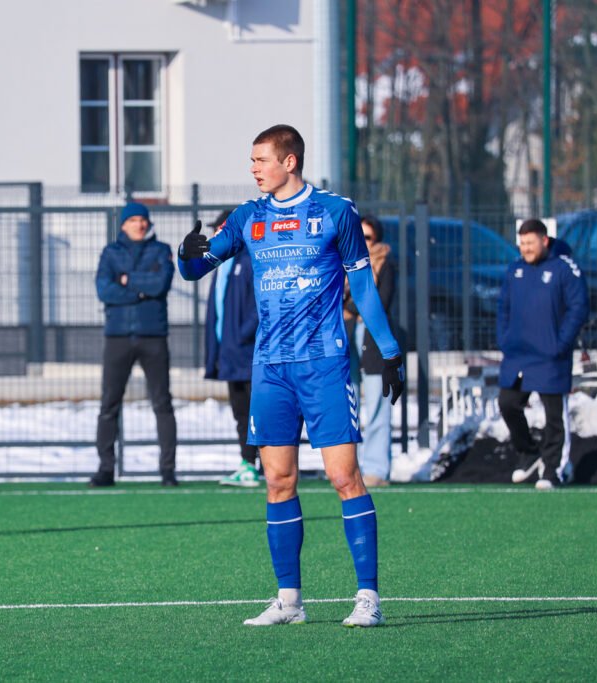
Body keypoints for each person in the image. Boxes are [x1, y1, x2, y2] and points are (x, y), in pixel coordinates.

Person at [178, 125, 405, 628]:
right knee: (277, 480)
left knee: (344, 477)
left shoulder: (335, 212)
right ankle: (289, 601)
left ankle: (368, 597)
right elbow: (195, 270)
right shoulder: (248, 216)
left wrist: (390, 351)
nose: (253, 169)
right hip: (270, 369)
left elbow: (364, 286)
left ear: (290, 162)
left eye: (261, 160)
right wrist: (185, 252)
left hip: (324, 365)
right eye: (252, 160)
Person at [498, 218, 589, 490]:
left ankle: (552, 470)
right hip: (518, 355)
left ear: (544, 240)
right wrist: (505, 339)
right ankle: (528, 453)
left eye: (530, 242)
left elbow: (578, 308)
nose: (525, 248)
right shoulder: (515, 270)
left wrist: (559, 343)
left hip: (550, 356)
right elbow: (503, 307)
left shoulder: (564, 268)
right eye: (522, 243)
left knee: (553, 416)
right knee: (508, 403)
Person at [92, 202, 177, 487]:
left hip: (154, 337)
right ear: (123, 224)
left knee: (162, 403)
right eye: (133, 220)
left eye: (143, 220)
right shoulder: (110, 253)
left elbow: (161, 284)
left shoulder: (161, 250)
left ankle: (168, 471)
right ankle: (106, 469)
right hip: (117, 337)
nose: (139, 225)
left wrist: (128, 280)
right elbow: (104, 290)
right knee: (109, 404)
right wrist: (141, 291)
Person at [203, 210, 261, 487]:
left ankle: (263, 463)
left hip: (248, 352)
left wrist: (241, 336)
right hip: (229, 353)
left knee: (256, 412)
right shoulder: (221, 264)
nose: (216, 235)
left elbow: (259, 306)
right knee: (240, 412)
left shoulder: (249, 260)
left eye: (221, 230)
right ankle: (248, 463)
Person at [342, 215, 396, 487]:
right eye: (359, 236)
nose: (362, 242)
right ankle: (348, 468)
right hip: (346, 339)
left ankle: (376, 469)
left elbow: (378, 302)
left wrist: (351, 307)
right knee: (347, 407)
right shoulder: (343, 262)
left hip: (374, 343)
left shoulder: (386, 265)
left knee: (377, 408)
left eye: (368, 237)